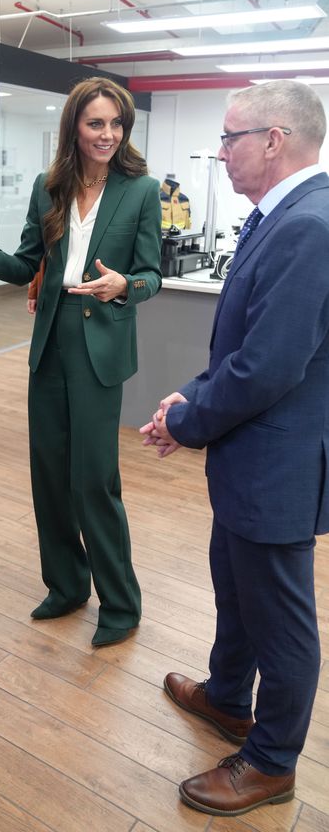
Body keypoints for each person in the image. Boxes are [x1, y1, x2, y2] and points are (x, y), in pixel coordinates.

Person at [140, 79, 329, 817]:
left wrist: (185, 422)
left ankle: (271, 760)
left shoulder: (308, 225)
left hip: (275, 464)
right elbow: (243, 345)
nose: (219, 153)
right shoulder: (278, 218)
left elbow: (269, 366)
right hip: (252, 458)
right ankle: (226, 696)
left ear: (274, 140)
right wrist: (189, 395)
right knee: (233, 583)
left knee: (280, 618)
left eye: (229, 139)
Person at [0, 77, 162, 646]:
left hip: (101, 343)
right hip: (51, 342)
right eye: (97, 123)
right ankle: (67, 585)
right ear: (75, 125)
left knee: (93, 480)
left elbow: (152, 275)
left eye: (117, 124)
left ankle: (120, 604)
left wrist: (124, 286)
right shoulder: (49, 188)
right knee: (49, 473)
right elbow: (27, 264)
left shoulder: (141, 190)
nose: (108, 134)